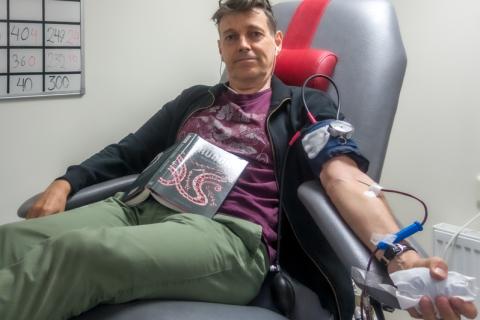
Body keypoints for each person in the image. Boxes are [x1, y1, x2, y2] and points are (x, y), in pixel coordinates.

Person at [0, 0, 477, 319]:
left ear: (278, 41)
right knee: (12, 240)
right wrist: (66, 182)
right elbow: (128, 150)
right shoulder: (195, 100)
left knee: (80, 255)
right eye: (231, 36)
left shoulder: (305, 106)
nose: (243, 44)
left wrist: (399, 253)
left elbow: (340, 176)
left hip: (228, 236)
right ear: (220, 48)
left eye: (254, 33)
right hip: (137, 207)